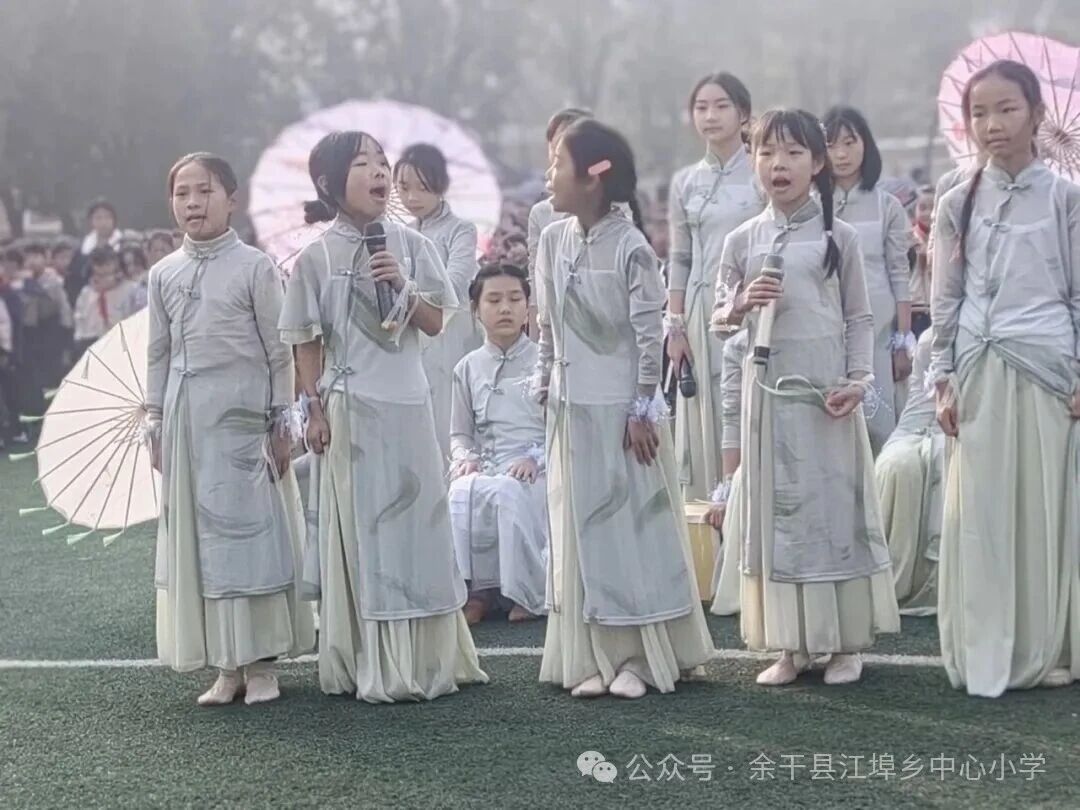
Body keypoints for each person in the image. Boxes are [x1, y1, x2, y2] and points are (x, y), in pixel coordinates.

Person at [280, 130, 487, 702]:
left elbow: (435, 322)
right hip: (350, 412)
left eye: (380, 161)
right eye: (362, 163)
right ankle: (366, 658)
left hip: (410, 405)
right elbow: (305, 341)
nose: (378, 172)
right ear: (329, 183)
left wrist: (401, 281)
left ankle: (429, 658)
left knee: (417, 529)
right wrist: (313, 409)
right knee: (365, 536)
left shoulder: (412, 245)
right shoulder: (315, 258)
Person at [712, 108, 899, 687]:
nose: (779, 164)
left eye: (793, 153)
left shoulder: (839, 237)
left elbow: (860, 317)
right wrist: (741, 303)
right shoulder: (741, 240)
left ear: (817, 163)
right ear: (752, 160)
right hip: (767, 394)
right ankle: (789, 644)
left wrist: (858, 380)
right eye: (767, 152)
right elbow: (719, 322)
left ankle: (843, 643)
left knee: (831, 509)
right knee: (780, 512)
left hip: (826, 397)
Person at [535, 118, 713, 700]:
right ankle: (591, 654)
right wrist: (545, 383)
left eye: (558, 163)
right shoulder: (551, 240)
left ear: (593, 177)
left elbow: (646, 336)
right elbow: (547, 326)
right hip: (570, 412)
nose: (549, 175)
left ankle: (640, 657)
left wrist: (641, 409)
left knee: (629, 531)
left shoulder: (631, 246)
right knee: (580, 532)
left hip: (620, 417)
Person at [931, 59, 1080, 697]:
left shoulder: (1066, 198)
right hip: (977, 367)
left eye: (1007, 109)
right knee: (982, 512)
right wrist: (941, 375)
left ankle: (1048, 645)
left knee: (1045, 509)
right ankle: (987, 642)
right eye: (979, 112)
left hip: (1049, 368)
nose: (992, 124)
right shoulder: (955, 200)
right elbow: (945, 298)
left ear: (1037, 114)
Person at [147, 152, 314, 706]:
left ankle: (262, 664)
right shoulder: (163, 273)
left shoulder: (255, 267)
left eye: (205, 191)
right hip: (186, 423)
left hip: (245, 423)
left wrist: (281, 422)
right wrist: (155, 421)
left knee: (249, 538)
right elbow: (158, 353)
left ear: (231, 200)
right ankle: (226, 665)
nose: (193, 203)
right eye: (182, 193)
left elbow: (279, 350)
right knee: (203, 541)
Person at [668, 72, 763, 501]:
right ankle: (709, 510)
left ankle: (746, 505)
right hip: (698, 311)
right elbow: (680, 256)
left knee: (743, 402)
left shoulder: (761, 174)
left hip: (749, 307)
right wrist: (675, 325)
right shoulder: (685, 182)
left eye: (722, 106)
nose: (711, 116)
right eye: (701, 107)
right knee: (703, 407)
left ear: (743, 113)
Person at [448, 262, 548, 625]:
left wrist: (535, 458)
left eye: (514, 299)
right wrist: (465, 457)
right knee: (461, 491)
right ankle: (478, 593)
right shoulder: (467, 367)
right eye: (493, 300)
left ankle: (527, 593)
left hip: (538, 465)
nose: (505, 308)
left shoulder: (546, 362)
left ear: (528, 308)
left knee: (509, 491)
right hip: (488, 464)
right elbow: (459, 433)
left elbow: (561, 428)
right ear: (476, 309)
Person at [825, 106, 914, 454]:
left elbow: (899, 274)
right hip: (828, 327)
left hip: (878, 332)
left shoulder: (887, 206)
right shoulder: (815, 205)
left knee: (879, 424)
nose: (841, 154)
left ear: (866, 144)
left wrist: (902, 340)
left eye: (849, 143)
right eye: (831, 145)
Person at [394, 143, 481, 462]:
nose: (412, 197)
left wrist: (406, 289)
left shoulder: (461, 229)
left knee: (449, 421)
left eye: (422, 187)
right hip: (410, 341)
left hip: (451, 336)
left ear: (441, 185)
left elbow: (455, 285)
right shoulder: (399, 234)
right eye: (404, 188)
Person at [875, 329, 941, 616]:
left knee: (944, 457)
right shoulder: (929, 342)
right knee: (896, 464)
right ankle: (888, 582)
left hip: (975, 434)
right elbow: (918, 408)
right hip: (918, 427)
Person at [526, 107, 593, 335]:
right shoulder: (541, 214)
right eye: (556, 143)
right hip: (555, 325)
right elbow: (537, 280)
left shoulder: (614, 205)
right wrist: (536, 336)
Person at [72, 247, 136, 359]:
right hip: (92, 346)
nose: (104, 279)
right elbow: (80, 322)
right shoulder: (86, 293)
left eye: (108, 274)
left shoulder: (131, 291)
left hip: (123, 346)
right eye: (99, 274)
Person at [908, 185, 935, 338]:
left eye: (933, 207)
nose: (928, 213)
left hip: (939, 308)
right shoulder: (908, 239)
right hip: (914, 309)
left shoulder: (946, 238)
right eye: (923, 208)